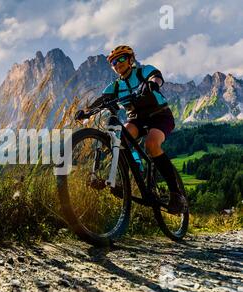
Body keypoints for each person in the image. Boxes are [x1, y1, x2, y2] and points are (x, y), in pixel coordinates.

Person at [77, 45, 187, 214]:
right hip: (136, 119)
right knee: (121, 139)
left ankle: (176, 193)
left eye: (121, 58)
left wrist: (152, 85)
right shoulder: (114, 87)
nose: (117, 63)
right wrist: (86, 113)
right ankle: (124, 180)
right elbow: (100, 101)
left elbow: (156, 77)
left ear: (130, 60)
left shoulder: (143, 72)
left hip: (160, 115)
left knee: (151, 144)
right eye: (114, 61)